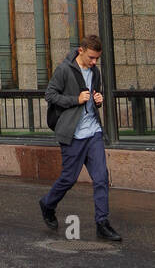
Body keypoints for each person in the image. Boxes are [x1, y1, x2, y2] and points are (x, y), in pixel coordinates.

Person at [40, 34, 121, 242]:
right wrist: (75, 100)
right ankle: (48, 204)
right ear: (81, 51)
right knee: (68, 179)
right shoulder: (64, 70)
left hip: (93, 131)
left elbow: (95, 97)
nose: (94, 62)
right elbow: (50, 94)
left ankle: (102, 223)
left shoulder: (95, 72)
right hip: (73, 134)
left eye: (97, 59)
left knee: (101, 178)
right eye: (91, 58)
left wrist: (98, 100)